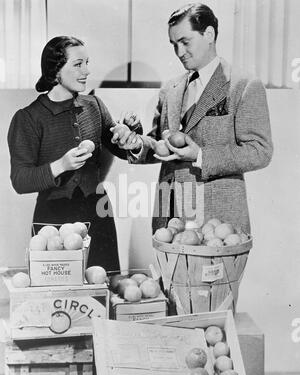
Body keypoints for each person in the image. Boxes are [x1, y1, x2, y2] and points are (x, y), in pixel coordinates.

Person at [110, 2, 273, 234]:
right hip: (169, 220)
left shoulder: (243, 85)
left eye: (185, 42)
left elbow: (260, 151)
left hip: (219, 223)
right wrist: (137, 143)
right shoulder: (170, 89)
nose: (179, 52)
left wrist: (201, 156)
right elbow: (159, 144)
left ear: (209, 34)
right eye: (174, 44)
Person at [7, 36, 141, 270]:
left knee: (103, 287)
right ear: (56, 70)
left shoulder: (94, 105)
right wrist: (61, 165)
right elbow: (20, 180)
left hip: (98, 212)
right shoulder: (28, 118)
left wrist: (129, 131)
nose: (87, 71)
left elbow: (121, 149)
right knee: (60, 296)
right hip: (53, 218)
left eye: (87, 62)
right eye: (78, 64)